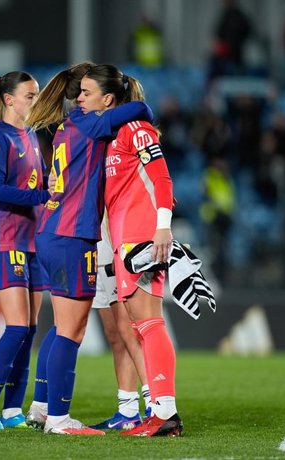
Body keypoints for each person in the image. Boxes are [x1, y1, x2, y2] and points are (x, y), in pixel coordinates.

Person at [25, 62, 153, 435]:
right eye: (79, 92)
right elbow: (143, 109)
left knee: (63, 327)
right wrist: (117, 102)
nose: (79, 99)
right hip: (72, 236)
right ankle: (60, 420)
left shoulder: (68, 126)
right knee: (71, 331)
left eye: (85, 93)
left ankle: (43, 407)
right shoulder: (90, 122)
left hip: (52, 230)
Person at [78, 64, 181, 436]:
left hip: (142, 239)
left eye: (86, 92)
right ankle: (159, 411)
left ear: (109, 98)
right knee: (139, 326)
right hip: (124, 241)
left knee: (149, 323)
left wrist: (163, 227)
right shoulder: (110, 135)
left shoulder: (136, 129)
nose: (79, 98)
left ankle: (164, 412)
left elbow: (162, 176)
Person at [0, 71, 49, 430]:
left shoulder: (30, 136)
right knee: (17, 327)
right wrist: (41, 196)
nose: (35, 100)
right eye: (30, 95)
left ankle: (12, 409)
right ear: (9, 99)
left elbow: (40, 184)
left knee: (30, 330)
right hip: (4, 240)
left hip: (31, 241)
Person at [89, 216, 152, 431]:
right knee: (114, 336)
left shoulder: (111, 179)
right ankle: (127, 411)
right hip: (92, 258)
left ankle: (154, 405)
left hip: (114, 256)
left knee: (129, 333)